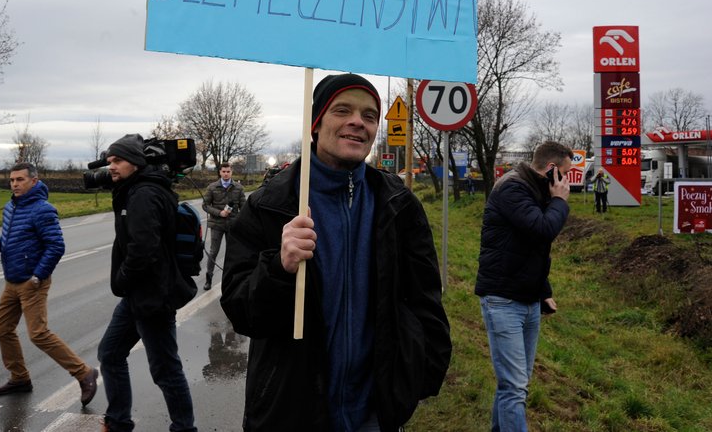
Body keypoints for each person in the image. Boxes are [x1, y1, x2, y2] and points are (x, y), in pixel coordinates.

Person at [221, 74, 452, 432]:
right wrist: (279, 268)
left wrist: (415, 378)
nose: (358, 121)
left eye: (370, 115)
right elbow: (241, 312)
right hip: (292, 414)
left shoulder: (398, 206)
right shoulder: (270, 206)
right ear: (315, 124)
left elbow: (425, 301)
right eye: (342, 110)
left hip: (373, 415)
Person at [96, 134, 197, 432]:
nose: (110, 166)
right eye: (109, 161)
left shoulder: (144, 194)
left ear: (136, 162)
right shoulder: (141, 189)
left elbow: (144, 250)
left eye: (117, 161)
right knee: (110, 353)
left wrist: (123, 280)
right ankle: (118, 421)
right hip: (139, 296)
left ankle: (184, 428)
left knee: (165, 369)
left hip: (152, 296)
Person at [474, 141, 573, 431]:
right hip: (503, 300)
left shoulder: (535, 189)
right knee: (514, 387)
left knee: (514, 385)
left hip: (527, 299)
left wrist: (544, 291)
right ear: (552, 170)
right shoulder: (513, 188)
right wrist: (560, 202)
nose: (567, 181)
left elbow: (531, 249)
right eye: (565, 174)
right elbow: (542, 230)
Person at [0, 162, 98, 405]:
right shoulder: (11, 207)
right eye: (12, 180)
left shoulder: (42, 209)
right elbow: (10, 238)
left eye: (20, 180)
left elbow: (56, 246)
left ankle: (84, 373)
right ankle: (20, 378)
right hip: (11, 280)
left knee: (38, 334)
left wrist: (38, 276)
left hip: (32, 281)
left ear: (34, 181)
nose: (14, 184)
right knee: (3, 329)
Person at [201, 161, 246, 291]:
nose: (226, 174)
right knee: (213, 252)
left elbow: (244, 207)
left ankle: (230, 280)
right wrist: (219, 213)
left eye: (228, 171)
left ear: (231, 172)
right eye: (224, 171)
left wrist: (241, 221)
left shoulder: (238, 188)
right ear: (220, 172)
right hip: (217, 224)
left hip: (232, 225)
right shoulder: (212, 187)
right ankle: (208, 279)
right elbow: (205, 205)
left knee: (232, 254)